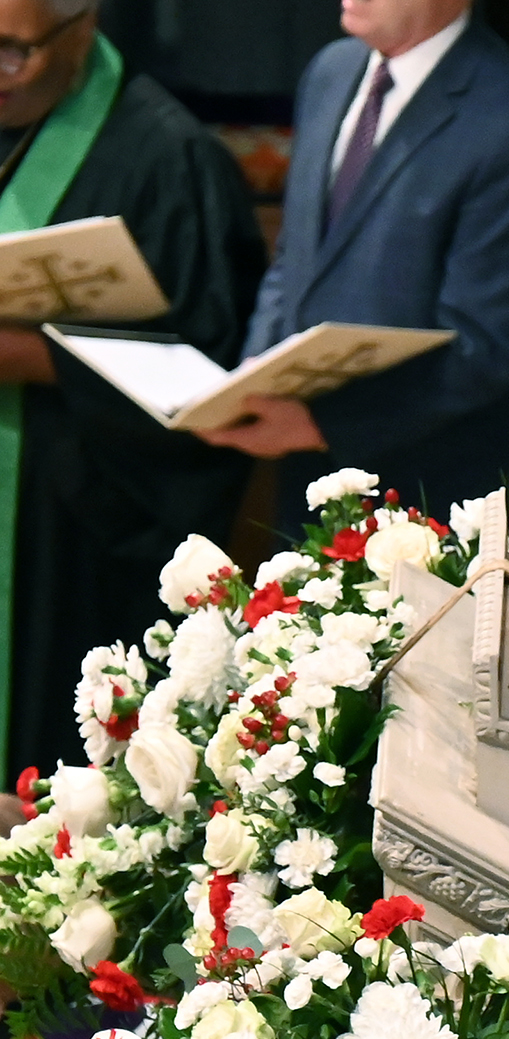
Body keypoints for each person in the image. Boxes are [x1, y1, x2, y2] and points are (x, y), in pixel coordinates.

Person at [0, 0, 265, 783]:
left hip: (74, 520)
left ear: (81, 25)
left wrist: (35, 359)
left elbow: (210, 372)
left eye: (14, 51)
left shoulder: (170, 159)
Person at [199, 0, 509, 522]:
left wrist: (321, 425)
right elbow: (298, 257)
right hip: (311, 479)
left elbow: (484, 347)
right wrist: (253, 377)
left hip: (443, 495)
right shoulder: (332, 71)